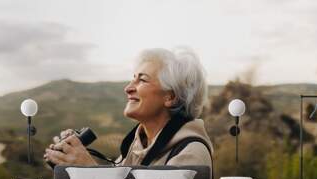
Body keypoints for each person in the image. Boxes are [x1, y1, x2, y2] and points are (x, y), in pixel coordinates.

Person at [44, 48, 213, 170]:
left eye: (142, 80)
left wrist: (89, 169)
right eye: (133, 79)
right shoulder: (137, 144)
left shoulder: (189, 153)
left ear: (171, 97)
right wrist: (71, 162)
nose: (128, 88)